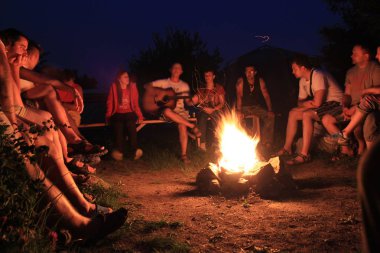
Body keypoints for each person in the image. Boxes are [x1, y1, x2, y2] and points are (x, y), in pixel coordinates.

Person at [0, 37, 127, 244]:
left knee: (48, 129)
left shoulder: (13, 64)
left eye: (26, 49)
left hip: (15, 113)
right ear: (8, 44)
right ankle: (77, 218)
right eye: (21, 47)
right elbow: (11, 97)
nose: (23, 53)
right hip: (13, 115)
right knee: (32, 147)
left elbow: (21, 90)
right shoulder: (8, 60)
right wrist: (15, 125)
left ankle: (80, 202)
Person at [274, 54, 343, 165]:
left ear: (303, 68)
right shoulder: (302, 81)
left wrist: (308, 104)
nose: (292, 72)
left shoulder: (317, 75)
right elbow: (300, 102)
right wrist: (307, 104)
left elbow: (317, 102)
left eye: (294, 69)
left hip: (337, 104)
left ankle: (304, 154)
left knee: (307, 114)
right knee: (293, 113)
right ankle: (287, 148)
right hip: (325, 106)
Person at [322, 44, 380, 155]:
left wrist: (356, 107)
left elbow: (376, 94)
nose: (351, 56)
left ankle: (359, 145)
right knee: (327, 119)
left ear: (366, 56)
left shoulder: (375, 69)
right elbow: (347, 94)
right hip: (353, 107)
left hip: (366, 108)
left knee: (364, 120)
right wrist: (345, 106)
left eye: (355, 54)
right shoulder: (350, 72)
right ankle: (346, 148)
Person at [145, 63, 201, 163]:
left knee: (182, 125)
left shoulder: (184, 85)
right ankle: (192, 126)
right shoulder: (163, 82)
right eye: (174, 67)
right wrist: (158, 95)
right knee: (167, 110)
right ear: (171, 70)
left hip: (180, 112)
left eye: (179, 68)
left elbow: (188, 102)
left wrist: (193, 101)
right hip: (167, 112)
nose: (176, 69)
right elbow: (147, 86)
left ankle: (184, 155)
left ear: (181, 72)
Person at [106, 70, 144, 161]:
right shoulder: (114, 87)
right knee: (118, 126)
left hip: (129, 112)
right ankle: (119, 151)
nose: (128, 78)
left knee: (131, 125)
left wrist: (140, 116)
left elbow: (135, 103)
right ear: (119, 79)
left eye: (128, 76)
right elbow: (110, 102)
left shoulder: (132, 87)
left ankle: (134, 151)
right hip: (117, 113)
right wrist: (108, 116)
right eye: (125, 77)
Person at [235, 65, 274, 148]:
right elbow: (239, 97)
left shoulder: (260, 81)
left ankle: (266, 141)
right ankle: (245, 140)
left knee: (271, 116)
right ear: (245, 73)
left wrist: (270, 109)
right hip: (244, 107)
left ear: (255, 72)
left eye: (251, 71)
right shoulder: (241, 81)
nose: (249, 73)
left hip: (256, 107)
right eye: (247, 71)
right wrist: (239, 110)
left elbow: (266, 96)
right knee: (238, 118)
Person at [191, 69, 225, 151]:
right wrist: (193, 101)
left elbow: (222, 103)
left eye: (209, 75)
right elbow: (195, 102)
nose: (207, 77)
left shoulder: (218, 88)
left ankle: (217, 143)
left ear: (213, 76)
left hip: (215, 109)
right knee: (202, 118)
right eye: (206, 75)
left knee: (217, 118)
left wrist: (213, 109)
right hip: (204, 110)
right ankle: (202, 144)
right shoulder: (201, 89)